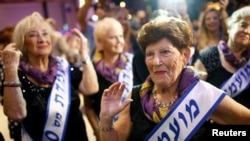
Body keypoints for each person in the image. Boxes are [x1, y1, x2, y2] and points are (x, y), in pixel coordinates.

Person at [98, 16, 250, 141]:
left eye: (165, 52)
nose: (156, 62)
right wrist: (105, 119)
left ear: (185, 56)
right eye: (150, 54)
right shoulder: (135, 97)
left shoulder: (204, 95)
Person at [1, 12, 98, 141]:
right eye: (33, 35)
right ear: (22, 43)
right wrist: (10, 69)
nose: (42, 39)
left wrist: (85, 55)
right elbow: (15, 114)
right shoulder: (16, 76)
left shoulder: (64, 66)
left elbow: (91, 89)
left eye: (45, 33)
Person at [194, 5, 250, 139]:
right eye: (243, 24)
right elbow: (193, 95)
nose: (247, 30)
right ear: (230, 26)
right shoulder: (210, 55)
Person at [83, 17, 133, 141]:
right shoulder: (91, 69)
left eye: (120, 36)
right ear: (100, 42)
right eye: (112, 37)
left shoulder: (133, 63)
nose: (119, 41)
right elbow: (88, 107)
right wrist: (97, 131)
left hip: (132, 130)